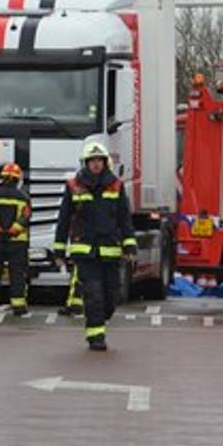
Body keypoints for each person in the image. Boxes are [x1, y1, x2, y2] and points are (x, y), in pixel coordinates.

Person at [54, 139, 136, 351]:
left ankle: (100, 319)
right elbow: (64, 219)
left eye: (99, 160)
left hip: (110, 250)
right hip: (85, 251)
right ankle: (95, 336)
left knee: (111, 296)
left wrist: (130, 247)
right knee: (94, 293)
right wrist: (59, 249)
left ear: (105, 162)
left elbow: (124, 218)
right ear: (86, 163)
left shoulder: (116, 185)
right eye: (92, 160)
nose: (96, 164)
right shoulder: (74, 186)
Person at [0, 162, 32, 316]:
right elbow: (26, 216)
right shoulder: (23, 197)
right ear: (17, 179)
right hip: (17, 242)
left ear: (2, 177)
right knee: (17, 274)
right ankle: (19, 306)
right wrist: (13, 230)